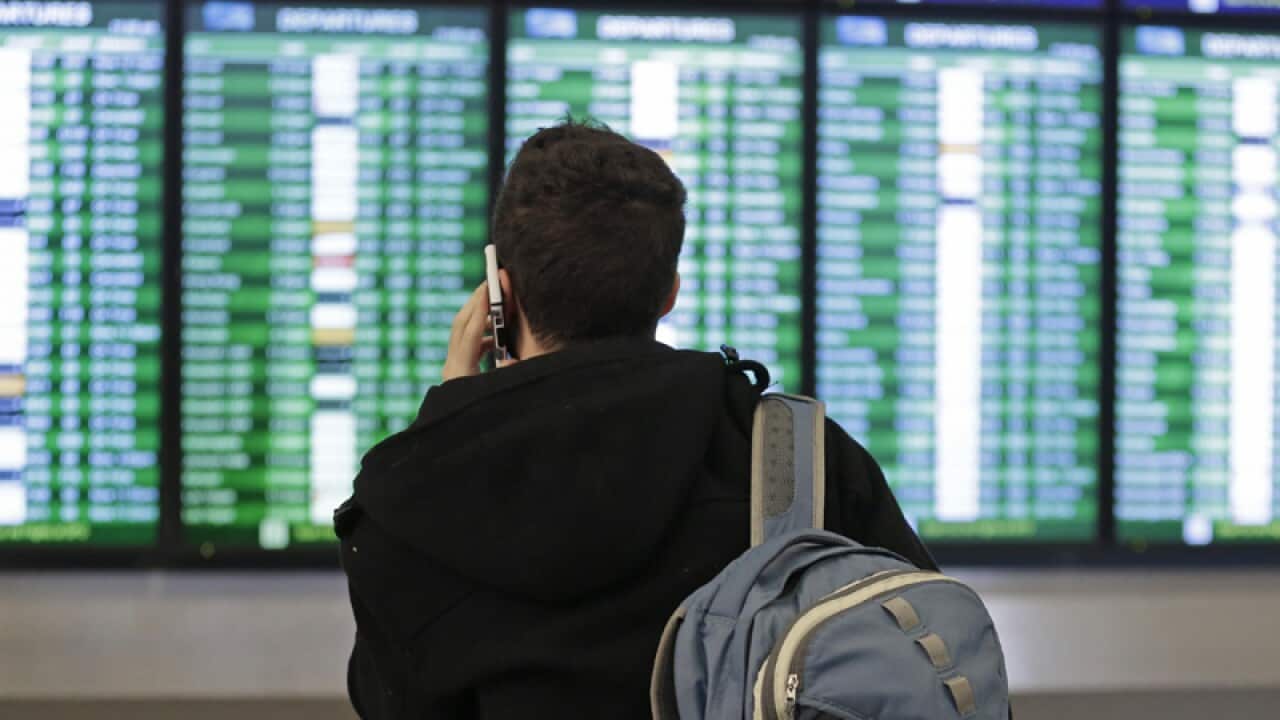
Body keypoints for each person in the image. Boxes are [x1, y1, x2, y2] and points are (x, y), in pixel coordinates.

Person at [335, 120, 936, 719]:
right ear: (669, 292)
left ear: (501, 296)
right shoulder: (804, 459)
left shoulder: (409, 503)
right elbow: (933, 657)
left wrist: (450, 425)